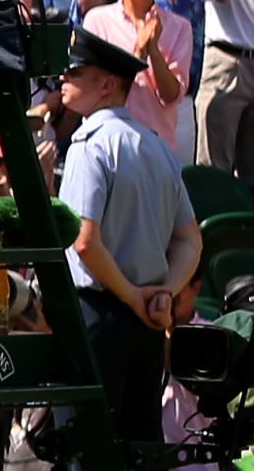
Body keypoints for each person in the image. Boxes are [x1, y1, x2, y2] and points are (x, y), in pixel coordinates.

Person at [57, 22, 198, 449]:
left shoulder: (90, 145)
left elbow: (84, 240)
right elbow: (191, 240)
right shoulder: (156, 147)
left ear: (107, 85)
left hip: (99, 314)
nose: (64, 79)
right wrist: (162, 294)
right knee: (142, 454)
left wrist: (133, 295)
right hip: (148, 321)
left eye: (76, 73)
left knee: (85, 452)